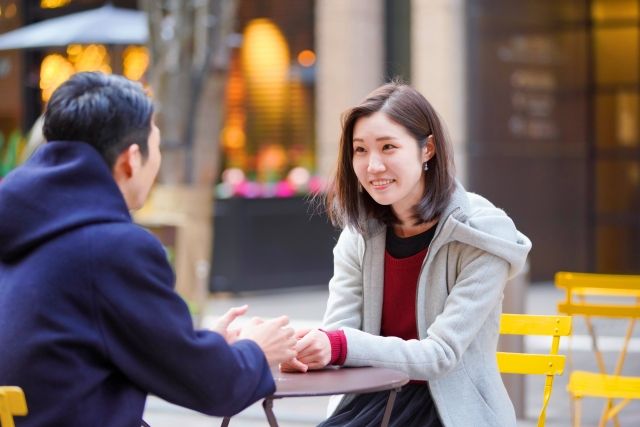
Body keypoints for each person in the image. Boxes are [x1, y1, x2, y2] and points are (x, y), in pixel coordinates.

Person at [0, 72, 297, 427]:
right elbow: (213, 387)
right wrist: (257, 351)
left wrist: (199, 345)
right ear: (131, 159)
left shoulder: (20, 229)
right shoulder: (110, 248)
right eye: (157, 147)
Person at [281, 82, 532, 427]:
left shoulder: (482, 235)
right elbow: (338, 334)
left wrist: (337, 345)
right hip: (371, 402)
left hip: (453, 411)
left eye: (388, 147)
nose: (373, 166)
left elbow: (440, 356)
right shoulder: (360, 236)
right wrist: (307, 350)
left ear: (427, 149)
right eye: (360, 150)